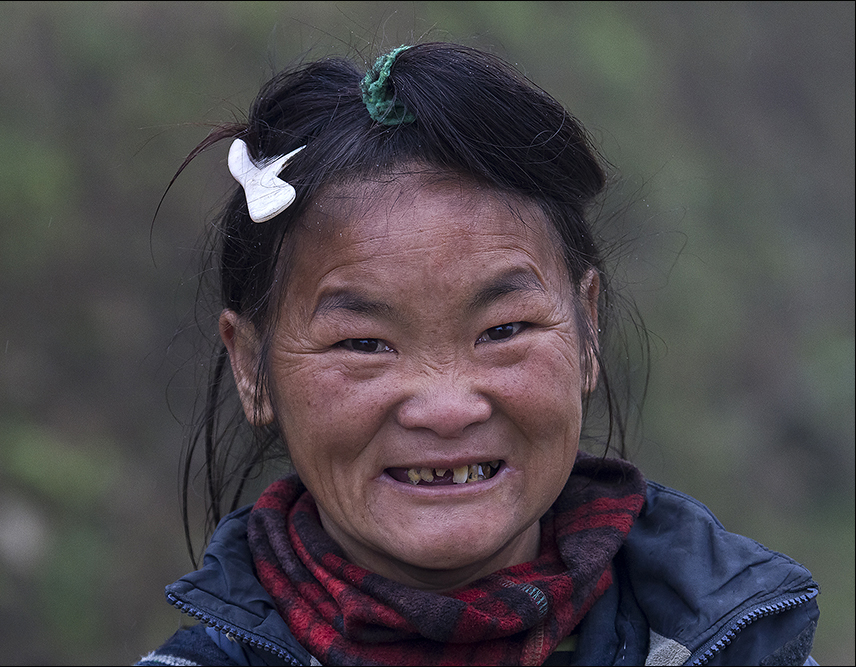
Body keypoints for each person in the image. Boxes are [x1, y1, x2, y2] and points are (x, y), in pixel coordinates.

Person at [138, 43, 819, 666]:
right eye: (364, 343)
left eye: (503, 329)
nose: (446, 407)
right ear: (252, 366)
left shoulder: (739, 642)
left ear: (586, 326)